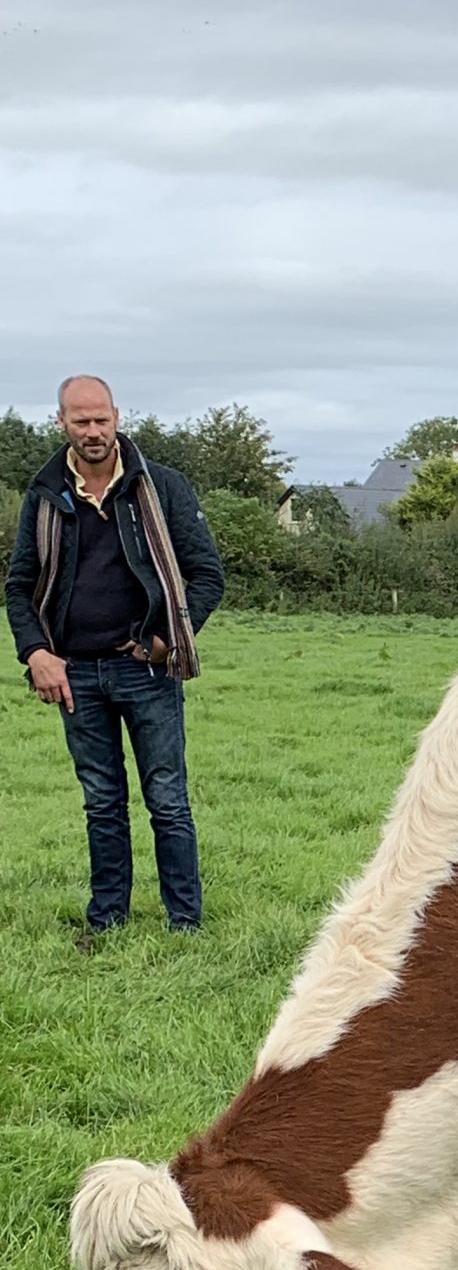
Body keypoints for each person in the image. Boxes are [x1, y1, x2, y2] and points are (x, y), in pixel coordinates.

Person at [6, 374, 225, 943]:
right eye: (81, 421)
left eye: (101, 419)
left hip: (147, 668)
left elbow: (207, 575)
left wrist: (167, 640)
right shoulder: (46, 492)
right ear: (62, 423)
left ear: (117, 417)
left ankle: (185, 923)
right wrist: (36, 653)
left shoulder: (163, 487)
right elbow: (20, 585)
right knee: (102, 801)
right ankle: (107, 918)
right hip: (75, 671)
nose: (94, 431)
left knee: (167, 800)